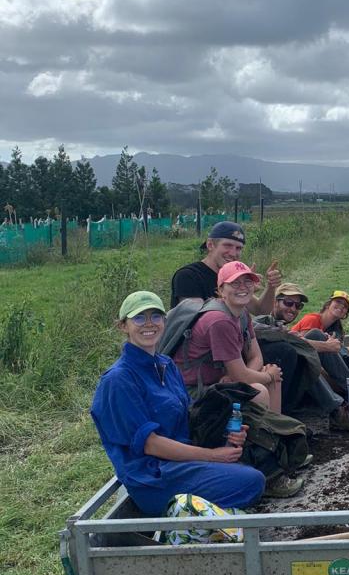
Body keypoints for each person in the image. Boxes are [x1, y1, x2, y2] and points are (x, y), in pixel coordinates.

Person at [90, 291, 264, 517]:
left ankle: (206, 512)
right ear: (124, 326)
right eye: (139, 318)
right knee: (252, 481)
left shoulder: (165, 365)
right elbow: (151, 445)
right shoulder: (119, 380)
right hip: (155, 477)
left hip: (183, 461)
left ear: (164, 321)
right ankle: (191, 515)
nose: (149, 324)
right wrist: (213, 455)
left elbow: (189, 417)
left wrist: (226, 434)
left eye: (156, 316)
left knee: (254, 458)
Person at [255, 283, 349, 432]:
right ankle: (337, 411)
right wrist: (326, 346)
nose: (293, 309)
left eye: (298, 306)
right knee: (303, 358)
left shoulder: (284, 327)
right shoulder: (260, 322)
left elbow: (294, 340)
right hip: (276, 393)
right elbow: (279, 338)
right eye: (288, 303)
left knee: (316, 335)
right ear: (275, 302)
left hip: (292, 384)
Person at [173, 261, 281, 411]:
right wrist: (268, 376)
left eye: (248, 281)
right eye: (235, 283)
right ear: (221, 290)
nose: (242, 287)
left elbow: (255, 357)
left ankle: (275, 424)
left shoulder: (242, 314)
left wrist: (238, 377)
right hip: (192, 389)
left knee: (271, 372)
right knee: (259, 389)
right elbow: (242, 377)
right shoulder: (219, 320)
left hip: (219, 381)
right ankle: (261, 426)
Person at [170, 221, 281, 312]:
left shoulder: (234, 276)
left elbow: (260, 310)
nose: (233, 253)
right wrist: (237, 294)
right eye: (227, 245)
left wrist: (270, 287)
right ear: (210, 245)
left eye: (238, 248)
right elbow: (197, 318)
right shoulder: (188, 276)